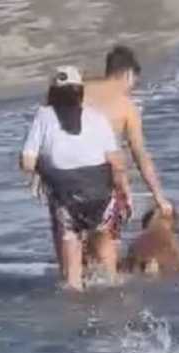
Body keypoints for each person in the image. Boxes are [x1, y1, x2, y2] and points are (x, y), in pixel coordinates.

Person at [20, 66, 130, 291]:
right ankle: (114, 290)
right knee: (104, 243)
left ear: (51, 93)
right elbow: (116, 162)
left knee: (72, 269)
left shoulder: (43, 115)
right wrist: (124, 191)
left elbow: (26, 162)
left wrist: (43, 168)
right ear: (80, 92)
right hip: (101, 190)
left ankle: (75, 300)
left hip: (67, 193)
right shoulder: (96, 116)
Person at [84, 45, 173, 216]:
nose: (132, 88)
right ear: (128, 75)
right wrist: (159, 198)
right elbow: (140, 155)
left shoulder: (78, 90)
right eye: (134, 82)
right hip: (98, 182)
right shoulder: (126, 107)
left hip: (63, 175)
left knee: (69, 238)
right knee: (104, 238)